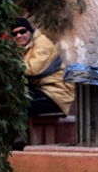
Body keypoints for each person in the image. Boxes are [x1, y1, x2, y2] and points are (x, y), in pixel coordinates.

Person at [11, 18, 74, 149]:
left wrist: (8, 63)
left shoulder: (42, 44)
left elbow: (33, 69)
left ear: (30, 31)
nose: (19, 35)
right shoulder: (23, 48)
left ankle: (17, 141)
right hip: (41, 90)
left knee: (17, 102)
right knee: (9, 96)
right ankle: (14, 141)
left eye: (22, 31)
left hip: (55, 95)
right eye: (14, 34)